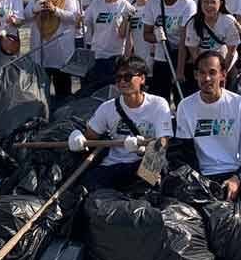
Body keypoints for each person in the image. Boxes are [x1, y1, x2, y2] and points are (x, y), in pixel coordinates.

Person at [68, 56, 173, 191]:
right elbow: (90, 137)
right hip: (114, 164)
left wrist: (144, 148)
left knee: (148, 184)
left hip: (143, 163)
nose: (122, 82)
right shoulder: (107, 108)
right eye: (119, 78)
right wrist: (78, 138)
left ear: (142, 78)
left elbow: (164, 140)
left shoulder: (158, 104)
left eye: (128, 77)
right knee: (87, 187)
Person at [173, 51, 241, 202]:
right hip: (203, 173)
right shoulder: (185, 106)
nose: (207, 78)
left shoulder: (238, 103)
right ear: (196, 75)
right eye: (202, 73)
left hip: (234, 170)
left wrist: (237, 178)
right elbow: (186, 150)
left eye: (212, 73)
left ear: (223, 75)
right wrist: (203, 182)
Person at [24, 0, 80, 101]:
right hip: (42, 50)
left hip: (60, 50)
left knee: (63, 92)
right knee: (42, 92)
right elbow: (25, 16)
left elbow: (74, 17)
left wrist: (55, 10)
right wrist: (34, 9)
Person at [143, 0, 197, 103]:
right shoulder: (152, 3)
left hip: (184, 57)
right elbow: (146, 34)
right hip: (162, 56)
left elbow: (184, 40)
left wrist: (179, 71)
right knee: (160, 100)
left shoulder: (188, 4)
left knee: (183, 99)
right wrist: (157, 37)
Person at [84, 0, 134, 92]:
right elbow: (86, 21)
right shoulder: (96, 4)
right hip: (98, 54)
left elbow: (124, 34)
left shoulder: (124, 6)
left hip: (116, 55)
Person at [184, 0, 241, 78]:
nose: (209, 6)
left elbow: (231, 51)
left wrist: (222, 73)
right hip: (204, 66)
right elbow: (194, 52)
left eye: (213, 2)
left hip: (226, 64)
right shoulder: (193, 23)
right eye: (205, 2)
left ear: (221, 3)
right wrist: (203, 71)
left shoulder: (229, 21)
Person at [126, 0, 155, 71]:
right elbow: (127, 37)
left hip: (154, 58)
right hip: (138, 61)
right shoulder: (131, 10)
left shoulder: (154, 7)